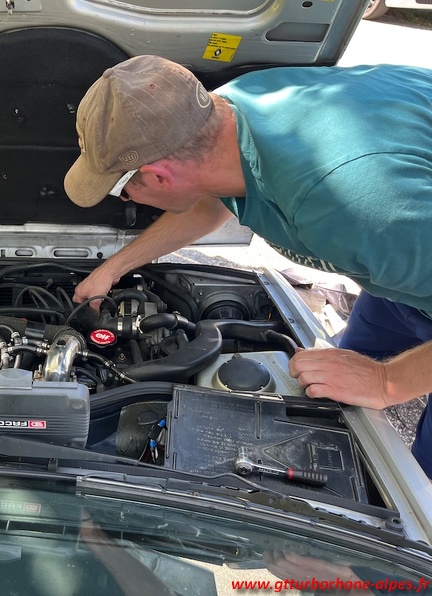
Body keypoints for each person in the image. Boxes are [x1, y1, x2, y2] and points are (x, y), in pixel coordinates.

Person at [63, 55, 432, 478]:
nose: (126, 200)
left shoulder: (359, 208)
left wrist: (385, 382)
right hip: (406, 276)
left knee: (420, 478)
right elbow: (212, 200)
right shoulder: (227, 111)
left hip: (400, 234)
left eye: (123, 190)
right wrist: (113, 268)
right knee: (335, 380)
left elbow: (381, 220)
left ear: (160, 176)